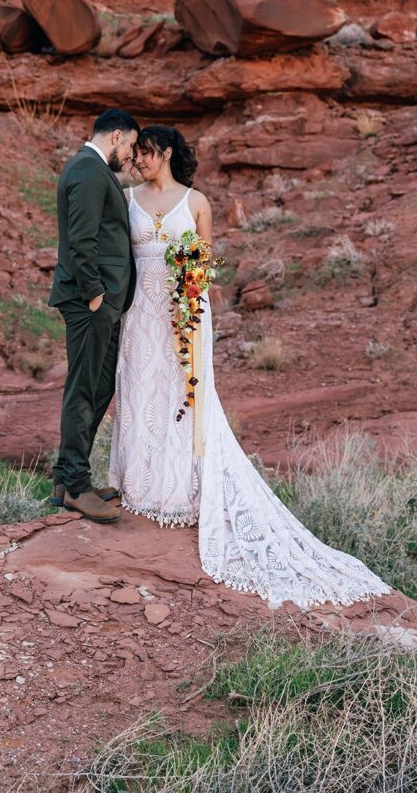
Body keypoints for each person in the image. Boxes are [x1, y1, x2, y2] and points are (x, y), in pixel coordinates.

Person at [109, 124, 390, 609]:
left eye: (147, 154)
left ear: (168, 153)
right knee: (140, 390)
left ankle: (182, 492)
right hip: (139, 315)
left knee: (181, 394)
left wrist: (188, 301)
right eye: (137, 156)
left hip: (183, 313)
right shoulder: (128, 199)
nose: (139, 162)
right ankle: (141, 486)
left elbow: (203, 259)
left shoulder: (196, 203)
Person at [48, 108, 139, 524]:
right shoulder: (87, 170)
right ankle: (77, 488)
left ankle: (68, 479)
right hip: (90, 302)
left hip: (100, 301)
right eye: (133, 145)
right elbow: (82, 239)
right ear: (116, 136)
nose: (132, 155)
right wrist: (95, 294)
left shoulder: (92, 169)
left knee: (98, 387)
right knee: (84, 388)